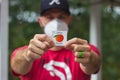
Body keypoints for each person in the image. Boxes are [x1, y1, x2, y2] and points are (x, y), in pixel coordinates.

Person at [10, 0, 101, 80]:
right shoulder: (31, 51)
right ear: (40, 21)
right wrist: (27, 56)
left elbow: (93, 65)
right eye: (50, 17)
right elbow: (17, 67)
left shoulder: (82, 49)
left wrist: (86, 57)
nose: (56, 22)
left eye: (61, 17)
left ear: (69, 20)